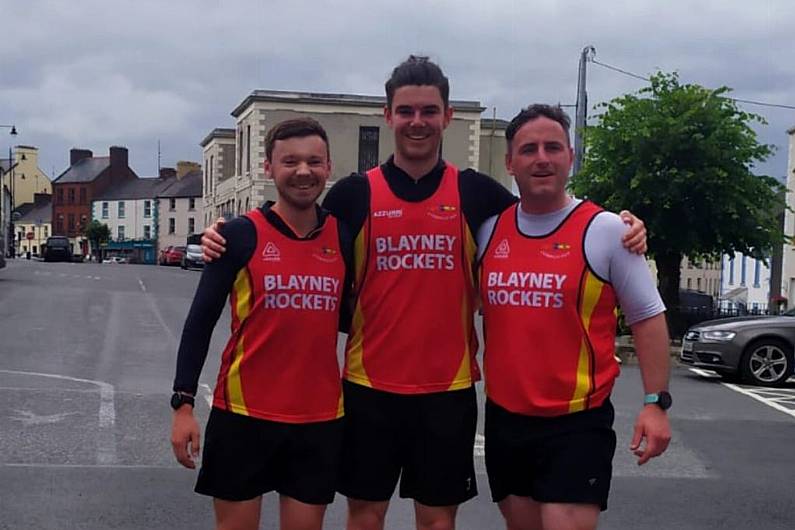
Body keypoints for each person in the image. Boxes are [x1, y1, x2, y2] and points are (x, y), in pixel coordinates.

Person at [201, 56, 648, 530]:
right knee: (366, 514)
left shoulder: (477, 194)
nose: (418, 122)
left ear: (447, 117)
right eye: (407, 111)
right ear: (388, 115)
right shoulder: (354, 195)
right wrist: (223, 234)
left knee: (437, 520)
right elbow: (297, 236)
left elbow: (544, 214)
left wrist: (627, 226)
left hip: (447, 392)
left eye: (429, 111)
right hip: (368, 387)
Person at [477, 104, 671, 530]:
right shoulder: (489, 230)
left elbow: (648, 317)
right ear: (510, 162)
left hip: (576, 422)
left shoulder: (606, 230)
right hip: (506, 418)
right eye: (528, 149)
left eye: (553, 147)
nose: (541, 158)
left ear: (571, 156)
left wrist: (655, 404)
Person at [170, 118, 352, 530]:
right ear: (268, 168)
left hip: (318, 420)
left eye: (313, 161)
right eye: (290, 161)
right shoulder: (239, 236)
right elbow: (199, 324)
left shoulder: (345, 237)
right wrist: (182, 405)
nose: (303, 171)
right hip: (243, 417)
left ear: (328, 167)